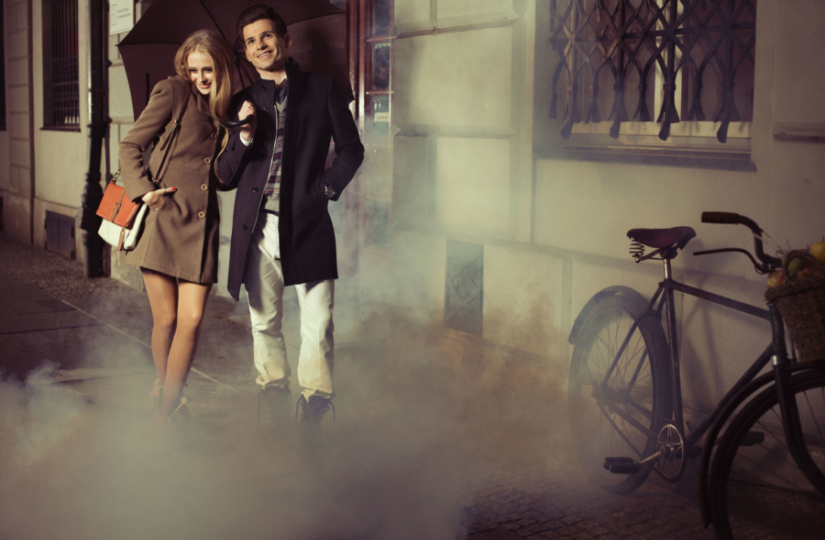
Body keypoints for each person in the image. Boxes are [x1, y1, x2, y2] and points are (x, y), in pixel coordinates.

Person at [217, 3, 364, 440]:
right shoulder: (242, 103)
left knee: (317, 324)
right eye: (250, 41)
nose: (260, 45)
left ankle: (315, 410)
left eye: (266, 36)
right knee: (264, 323)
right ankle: (273, 397)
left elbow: (352, 149)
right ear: (244, 53)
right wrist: (242, 137)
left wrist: (325, 189)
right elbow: (224, 175)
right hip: (257, 231)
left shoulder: (322, 89)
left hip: (309, 225)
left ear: (285, 39)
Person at [119, 30, 234, 428]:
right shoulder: (172, 92)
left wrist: (244, 137)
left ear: (222, 67)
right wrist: (143, 191)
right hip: (165, 218)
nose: (201, 77)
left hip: (201, 226)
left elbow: (223, 178)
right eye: (195, 69)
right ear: (184, 67)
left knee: (194, 318)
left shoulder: (230, 109)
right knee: (166, 320)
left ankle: (166, 405)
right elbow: (130, 145)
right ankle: (168, 397)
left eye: (209, 69)